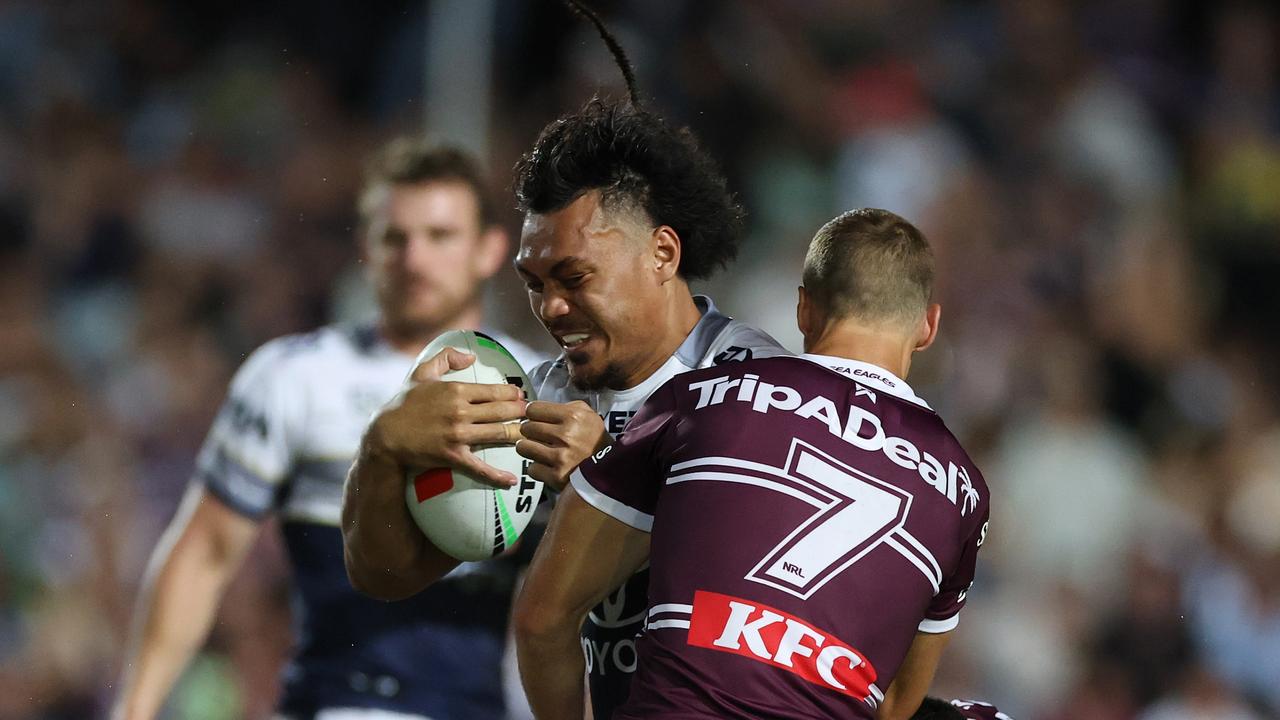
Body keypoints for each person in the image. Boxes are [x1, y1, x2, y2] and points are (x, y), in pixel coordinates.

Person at [341, 20, 786, 719]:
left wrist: (611, 467)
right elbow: (388, 575)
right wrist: (385, 449)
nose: (551, 306)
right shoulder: (539, 395)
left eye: (575, 276)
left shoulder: (758, 381)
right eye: (534, 280)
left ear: (662, 255)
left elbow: (774, 575)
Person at [112, 139, 540, 720]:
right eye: (395, 237)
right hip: (332, 703)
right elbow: (205, 554)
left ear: (490, 250)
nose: (415, 258)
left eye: (440, 236)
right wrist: (135, 708)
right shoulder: (293, 376)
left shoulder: (542, 389)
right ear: (366, 247)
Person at [514, 209, 992, 720]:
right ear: (928, 327)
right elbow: (893, 703)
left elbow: (542, 620)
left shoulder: (698, 398)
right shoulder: (963, 492)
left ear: (803, 309)